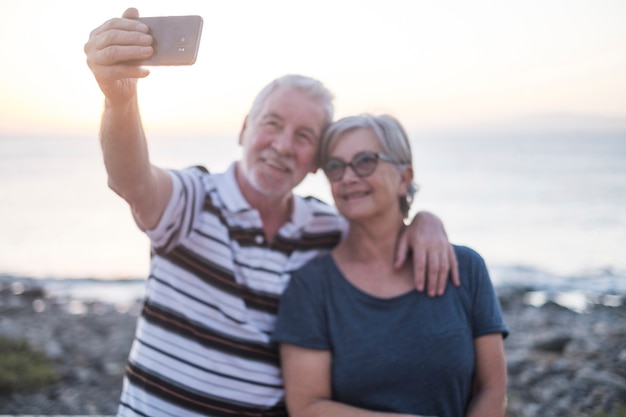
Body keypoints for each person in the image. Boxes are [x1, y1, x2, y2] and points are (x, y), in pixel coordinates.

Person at [84, 8, 460, 417]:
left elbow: (384, 234)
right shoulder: (193, 198)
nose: (282, 145)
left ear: (316, 161)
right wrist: (118, 103)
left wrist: (425, 222)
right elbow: (131, 179)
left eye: (303, 137)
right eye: (272, 124)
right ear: (245, 128)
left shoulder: (327, 229)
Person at [273, 114, 509, 417]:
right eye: (335, 166)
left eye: (365, 161)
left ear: (404, 178)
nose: (347, 176)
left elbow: (492, 389)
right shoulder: (311, 287)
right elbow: (308, 407)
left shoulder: (465, 268)